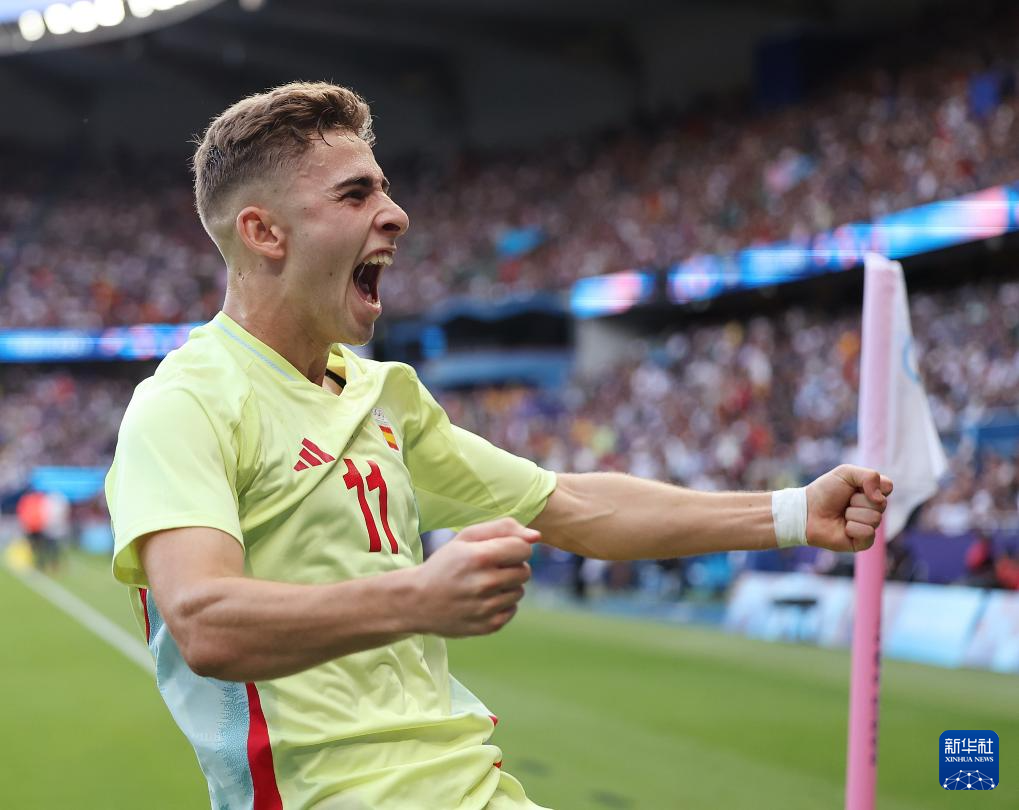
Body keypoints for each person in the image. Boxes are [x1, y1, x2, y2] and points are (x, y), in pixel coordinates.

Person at [105, 82, 894, 810]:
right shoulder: (186, 404)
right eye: (355, 193)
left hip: (473, 788)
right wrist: (415, 598)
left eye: (383, 187)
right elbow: (205, 622)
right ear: (263, 232)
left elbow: (570, 505)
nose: (395, 214)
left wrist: (792, 511)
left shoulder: (384, 397)